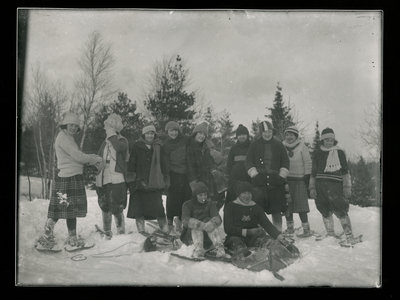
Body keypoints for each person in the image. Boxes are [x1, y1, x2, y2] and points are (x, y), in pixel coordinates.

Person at [35, 112, 103, 250]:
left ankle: (69, 237)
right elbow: (78, 156)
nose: (73, 128)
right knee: (62, 209)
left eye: (76, 126)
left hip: (71, 177)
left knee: (67, 209)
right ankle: (51, 237)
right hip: (68, 178)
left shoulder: (68, 137)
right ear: (65, 125)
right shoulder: (63, 138)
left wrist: (90, 159)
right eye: (71, 125)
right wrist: (94, 158)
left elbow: (75, 157)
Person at [309, 127, 360, 246]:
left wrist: (347, 187)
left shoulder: (339, 152)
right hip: (320, 186)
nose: (329, 142)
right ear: (322, 140)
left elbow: (345, 172)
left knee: (341, 209)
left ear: (334, 140)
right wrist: (312, 187)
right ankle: (330, 233)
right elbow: (313, 172)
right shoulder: (317, 153)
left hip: (335, 186)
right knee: (323, 208)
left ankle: (349, 235)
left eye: (331, 140)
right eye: (326, 140)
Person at [223, 181, 292, 258]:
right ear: (238, 194)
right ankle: (243, 255)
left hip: (254, 238)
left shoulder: (256, 207)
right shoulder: (230, 207)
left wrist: (280, 237)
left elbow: (267, 224)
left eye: (249, 193)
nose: (247, 196)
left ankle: (278, 252)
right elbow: (228, 228)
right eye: (244, 193)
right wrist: (248, 232)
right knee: (237, 244)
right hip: (235, 237)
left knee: (268, 242)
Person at [245, 119, 290, 232]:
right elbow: (248, 161)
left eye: (269, 131)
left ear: (272, 131)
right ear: (261, 133)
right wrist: (254, 175)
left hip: (276, 182)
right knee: (258, 209)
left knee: (276, 209)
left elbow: (285, 162)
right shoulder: (254, 145)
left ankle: (277, 232)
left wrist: (281, 176)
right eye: (265, 132)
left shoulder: (279, 145)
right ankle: (259, 234)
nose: (267, 134)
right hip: (259, 182)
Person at [126, 124, 169, 233]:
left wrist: (165, 178)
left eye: (152, 133)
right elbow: (132, 164)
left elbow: (164, 164)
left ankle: (164, 229)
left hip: (155, 182)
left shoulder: (159, 146)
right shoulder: (137, 146)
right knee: (139, 209)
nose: (150, 136)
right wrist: (132, 182)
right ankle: (141, 230)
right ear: (143, 134)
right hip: (140, 182)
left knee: (159, 207)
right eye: (147, 133)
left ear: (154, 135)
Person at [95, 114, 129, 239]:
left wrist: (112, 134)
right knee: (105, 205)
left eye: (108, 127)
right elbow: (98, 156)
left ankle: (120, 233)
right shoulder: (105, 142)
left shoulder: (122, 140)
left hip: (117, 178)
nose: (106, 130)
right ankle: (107, 232)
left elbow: (119, 148)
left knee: (116, 206)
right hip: (103, 177)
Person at [282, 126, 313, 237]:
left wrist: (307, 176)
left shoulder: (302, 146)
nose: (289, 137)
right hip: (286, 180)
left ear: (296, 136)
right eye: (287, 135)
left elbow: (308, 162)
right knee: (287, 205)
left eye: (291, 135)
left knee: (301, 205)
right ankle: (290, 228)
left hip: (299, 179)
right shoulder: (281, 146)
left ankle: (306, 229)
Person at [181, 181, 225, 258]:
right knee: (196, 225)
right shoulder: (187, 205)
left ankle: (220, 249)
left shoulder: (210, 204)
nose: (203, 197)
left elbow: (217, 218)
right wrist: (200, 224)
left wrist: (211, 223)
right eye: (200, 195)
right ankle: (198, 250)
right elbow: (185, 220)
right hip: (190, 237)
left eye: (205, 195)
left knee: (209, 221)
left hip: (208, 236)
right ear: (195, 196)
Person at [162, 121, 192, 234]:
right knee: (172, 199)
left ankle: (181, 220)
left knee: (185, 198)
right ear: (167, 132)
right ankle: (169, 221)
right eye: (171, 131)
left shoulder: (185, 140)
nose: (173, 133)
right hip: (173, 174)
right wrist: (167, 176)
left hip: (186, 174)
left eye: (175, 130)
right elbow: (165, 162)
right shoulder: (166, 145)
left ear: (179, 131)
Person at [186, 121, 218, 202]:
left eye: (204, 134)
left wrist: (214, 169)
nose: (202, 136)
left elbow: (211, 161)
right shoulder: (189, 147)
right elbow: (189, 166)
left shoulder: (205, 148)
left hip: (206, 180)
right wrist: (193, 182)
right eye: (200, 133)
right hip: (194, 180)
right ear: (195, 134)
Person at [225, 124, 252, 205]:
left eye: (243, 134)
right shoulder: (234, 148)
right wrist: (228, 177)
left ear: (247, 135)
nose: (241, 136)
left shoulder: (252, 147)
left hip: (249, 179)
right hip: (235, 180)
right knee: (232, 202)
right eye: (239, 135)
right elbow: (229, 164)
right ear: (237, 136)